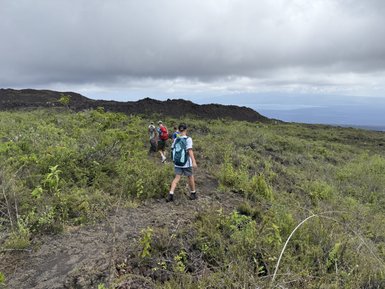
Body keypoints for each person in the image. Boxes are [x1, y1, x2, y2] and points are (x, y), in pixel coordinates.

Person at [167, 123, 197, 202]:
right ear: (186, 130)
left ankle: (171, 194)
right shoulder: (188, 139)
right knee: (190, 177)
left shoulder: (176, 139)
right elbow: (190, 150)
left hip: (177, 163)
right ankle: (193, 193)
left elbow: (172, 149)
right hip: (186, 163)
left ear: (179, 130)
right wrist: (194, 161)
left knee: (177, 178)